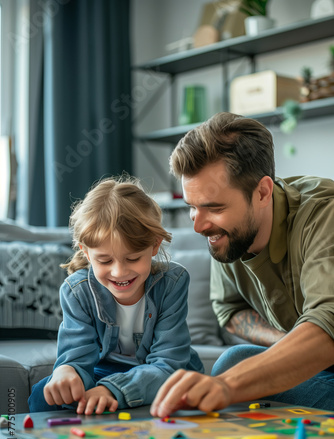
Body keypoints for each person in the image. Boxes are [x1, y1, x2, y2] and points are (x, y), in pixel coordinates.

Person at [150, 111, 334, 418]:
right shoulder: (228, 235)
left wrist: (229, 387)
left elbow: (328, 327)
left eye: (214, 207)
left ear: (262, 192)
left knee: (231, 376)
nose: (198, 226)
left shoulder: (323, 214)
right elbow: (229, 310)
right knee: (233, 361)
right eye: (192, 208)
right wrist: (285, 344)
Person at [28, 176, 203, 415]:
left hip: (165, 373)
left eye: (132, 258)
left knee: (183, 392)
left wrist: (112, 391)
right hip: (106, 372)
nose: (119, 272)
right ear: (87, 253)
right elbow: (76, 357)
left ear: (154, 245)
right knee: (43, 395)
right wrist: (66, 371)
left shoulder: (173, 282)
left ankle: (119, 400)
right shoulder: (77, 290)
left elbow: (168, 362)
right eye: (105, 260)